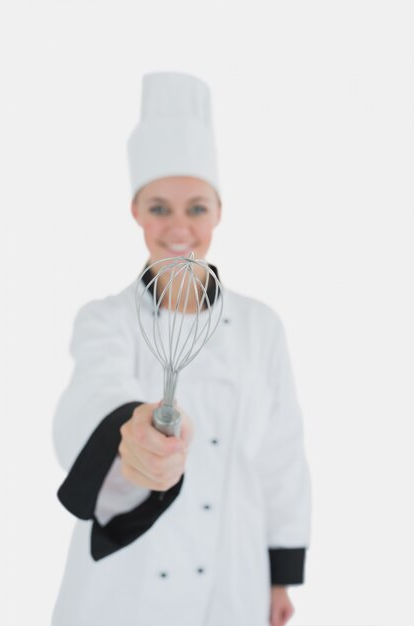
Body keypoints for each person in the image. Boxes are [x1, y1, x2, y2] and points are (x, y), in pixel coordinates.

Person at [51, 71, 312, 626]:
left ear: (218, 212)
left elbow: (282, 455)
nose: (178, 227)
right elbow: (96, 388)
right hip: (127, 582)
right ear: (135, 212)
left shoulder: (261, 326)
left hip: (232, 569)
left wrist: (281, 570)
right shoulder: (106, 319)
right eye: (158, 207)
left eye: (196, 207)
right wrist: (132, 432)